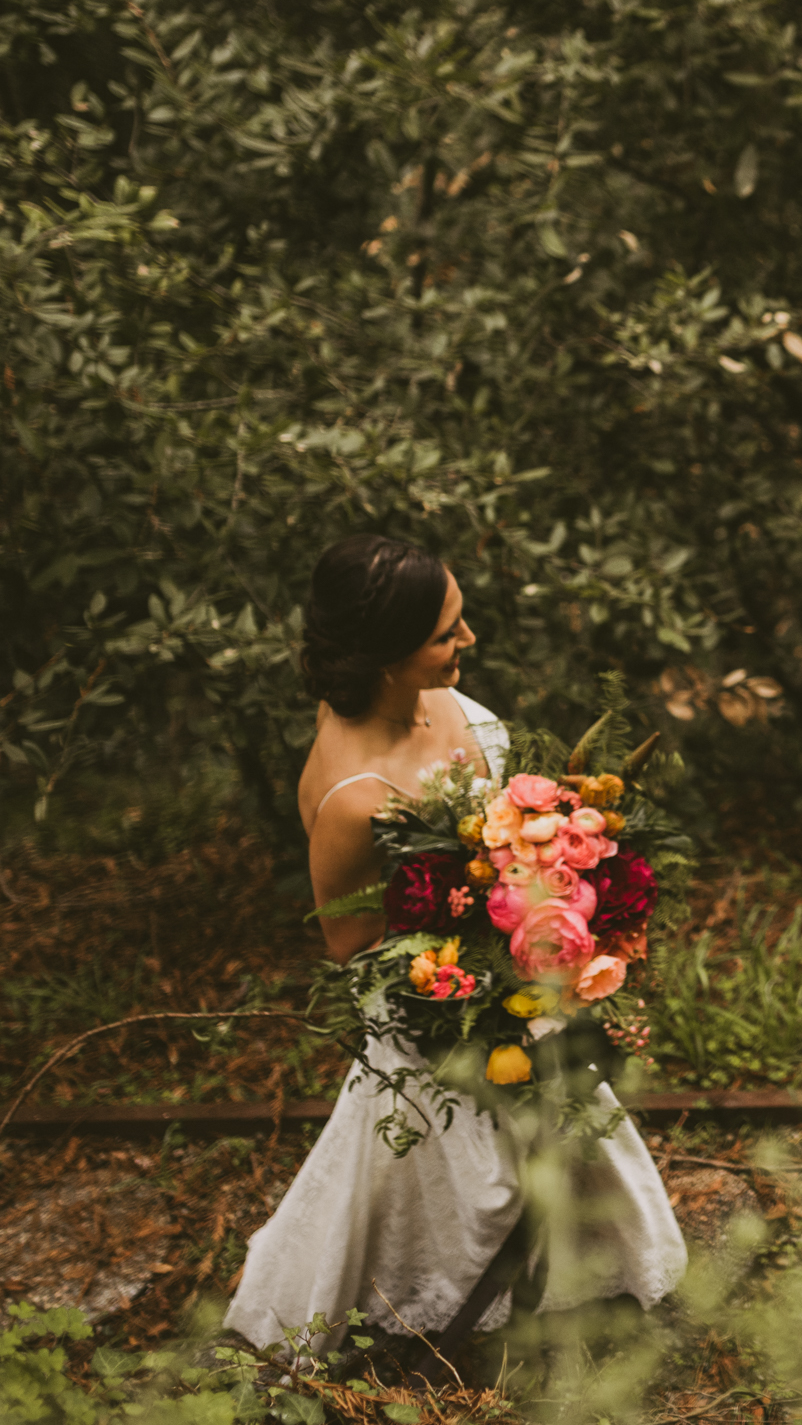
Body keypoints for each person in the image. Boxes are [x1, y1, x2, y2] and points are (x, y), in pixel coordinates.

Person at [224, 533, 686, 1354]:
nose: (468, 641)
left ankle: (582, 1275)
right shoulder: (349, 798)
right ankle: (421, 1310)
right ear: (386, 655)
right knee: (446, 1180)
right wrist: (483, 978)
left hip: (518, 973)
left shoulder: (428, 698)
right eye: (446, 632)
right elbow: (356, 951)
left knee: (568, 1124)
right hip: (437, 1018)